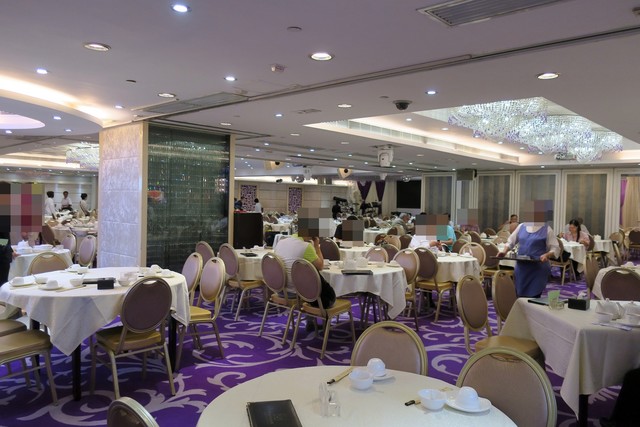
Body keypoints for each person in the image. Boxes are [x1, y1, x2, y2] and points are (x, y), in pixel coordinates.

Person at [498, 206, 559, 298]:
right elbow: (511, 241)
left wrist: (547, 254)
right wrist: (504, 251)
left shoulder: (547, 229)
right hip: (522, 267)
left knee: (533, 297)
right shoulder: (521, 226)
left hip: (538, 268)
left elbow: (555, 248)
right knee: (520, 295)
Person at [274, 235, 335, 309]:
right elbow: (320, 266)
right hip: (296, 291)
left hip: (279, 289)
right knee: (316, 278)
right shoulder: (306, 246)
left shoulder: (280, 242)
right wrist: (317, 246)